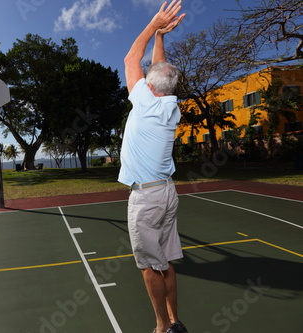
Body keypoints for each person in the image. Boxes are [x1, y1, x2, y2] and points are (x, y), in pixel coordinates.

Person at [118, 1, 188, 333]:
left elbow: (132, 59)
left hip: (146, 200)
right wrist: (161, 34)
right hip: (167, 194)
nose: (141, 77)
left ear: (149, 87)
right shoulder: (169, 106)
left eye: (146, 79)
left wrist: (151, 25)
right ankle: (175, 321)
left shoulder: (144, 102)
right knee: (166, 261)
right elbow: (157, 66)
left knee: (149, 267)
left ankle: (161, 327)